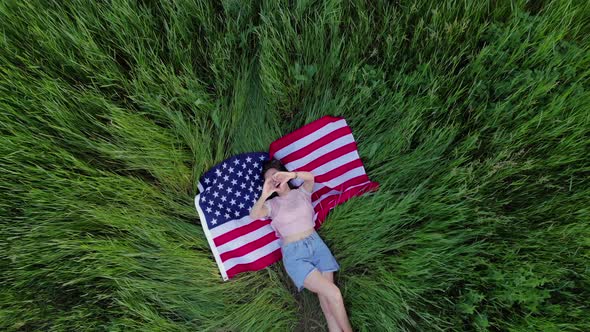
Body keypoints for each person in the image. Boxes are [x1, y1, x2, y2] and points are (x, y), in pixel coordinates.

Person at [249, 159, 353, 332]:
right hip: (295, 255)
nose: (275, 181)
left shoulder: (301, 192)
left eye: (276, 176)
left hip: (317, 245)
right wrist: (265, 193)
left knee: (328, 305)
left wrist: (291, 175)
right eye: (270, 180)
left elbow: (311, 178)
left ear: (283, 175)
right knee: (334, 293)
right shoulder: (271, 205)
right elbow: (254, 215)